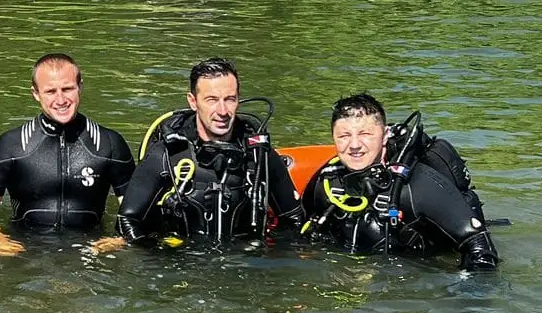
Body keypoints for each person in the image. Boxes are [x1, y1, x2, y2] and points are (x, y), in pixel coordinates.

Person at [297, 93, 499, 269]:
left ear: (384, 135)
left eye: (365, 134)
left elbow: (480, 248)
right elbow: (299, 229)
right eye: (343, 136)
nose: (354, 145)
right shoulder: (327, 181)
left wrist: (461, 299)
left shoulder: (416, 185)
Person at [118, 57, 302, 244]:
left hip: (244, 262)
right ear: (193, 101)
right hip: (180, 261)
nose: (222, 111)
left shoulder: (259, 155)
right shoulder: (166, 154)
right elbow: (127, 220)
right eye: (212, 100)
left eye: (230, 99)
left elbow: (295, 220)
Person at [0, 53, 136, 254]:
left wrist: (117, 241)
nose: (61, 100)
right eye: (50, 91)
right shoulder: (10, 145)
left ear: (80, 87)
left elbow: (135, 214)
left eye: (67, 89)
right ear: (35, 93)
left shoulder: (110, 144)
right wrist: (0, 241)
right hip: (27, 250)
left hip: (91, 251)